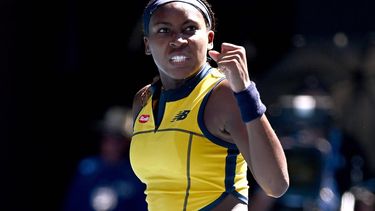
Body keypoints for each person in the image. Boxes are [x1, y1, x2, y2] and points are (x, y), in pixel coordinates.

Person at [129, 0, 289, 210]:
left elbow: (276, 185)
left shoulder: (224, 93)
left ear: (210, 38)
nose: (178, 40)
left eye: (189, 29)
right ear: (147, 44)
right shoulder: (143, 100)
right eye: (164, 30)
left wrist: (246, 91)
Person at [63, 106, 147, 211]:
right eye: (108, 137)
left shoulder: (136, 173)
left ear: (127, 142)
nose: (112, 144)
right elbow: (73, 204)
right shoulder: (87, 168)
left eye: (118, 140)